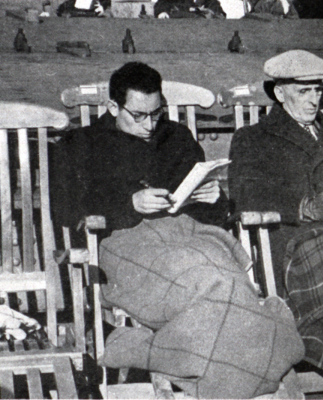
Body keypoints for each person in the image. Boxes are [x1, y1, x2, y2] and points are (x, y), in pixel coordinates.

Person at [50, 62, 228, 238]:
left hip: (187, 232)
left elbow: (209, 211)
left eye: (156, 113)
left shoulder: (177, 136)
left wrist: (214, 199)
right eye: (138, 115)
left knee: (225, 261)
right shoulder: (81, 143)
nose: (149, 125)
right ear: (113, 108)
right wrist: (130, 204)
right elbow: (66, 210)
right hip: (121, 237)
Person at [229, 50, 323, 368]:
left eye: (319, 90)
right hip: (292, 242)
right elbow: (247, 194)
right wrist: (302, 206)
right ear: (281, 93)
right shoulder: (253, 139)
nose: (314, 100)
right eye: (304, 91)